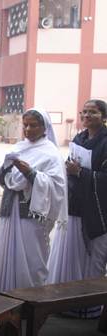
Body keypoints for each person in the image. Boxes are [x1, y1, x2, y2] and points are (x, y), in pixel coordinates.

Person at [0, 108, 67, 293]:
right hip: (10, 209)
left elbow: (56, 186)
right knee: (7, 252)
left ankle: (30, 298)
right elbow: (0, 175)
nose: (28, 129)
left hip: (32, 214)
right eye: (25, 125)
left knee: (31, 257)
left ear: (44, 127)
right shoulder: (18, 147)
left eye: (33, 125)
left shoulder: (51, 153)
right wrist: (4, 169)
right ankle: (5, 296)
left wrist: (30, 173)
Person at [48, 99, 107, 318]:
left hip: (98, 210)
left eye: (93, 112)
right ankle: (67, 302)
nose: (87, 116)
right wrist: (69, 169)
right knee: (73, 255)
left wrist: (80, 172)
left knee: (93, 258)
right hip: (75, 205)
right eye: (85, 112)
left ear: (104, 117)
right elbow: (71, 165)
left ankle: (89, 308)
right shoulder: (79, 138)